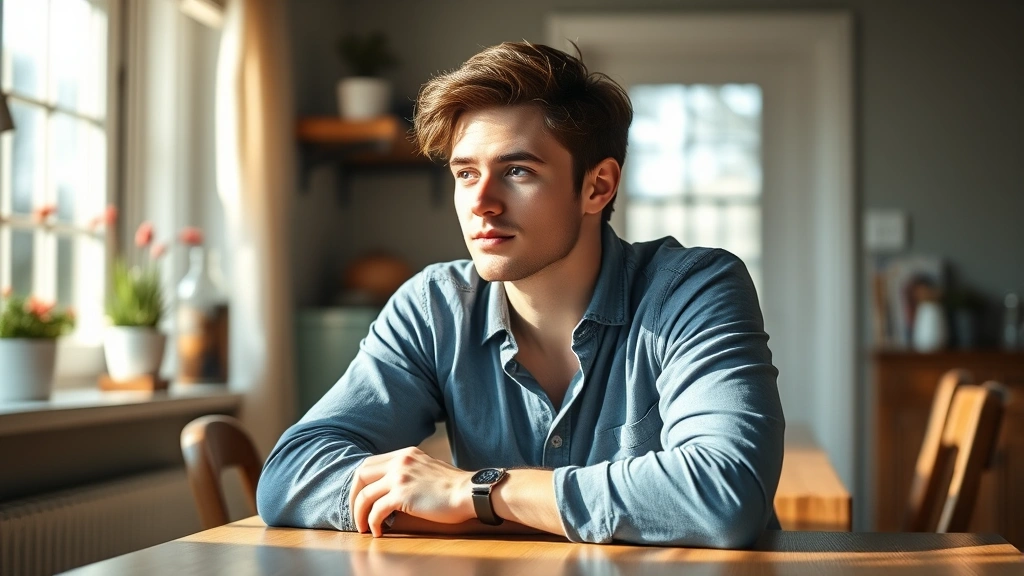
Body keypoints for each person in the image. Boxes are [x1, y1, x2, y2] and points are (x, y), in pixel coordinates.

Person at [257, 41, 784, 548]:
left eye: (517, 171)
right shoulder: (434, 307)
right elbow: (290, 475)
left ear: (597, 187)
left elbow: (725, 491)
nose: (481, 202)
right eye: (466, 173)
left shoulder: (695, 289)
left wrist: (478, 492)